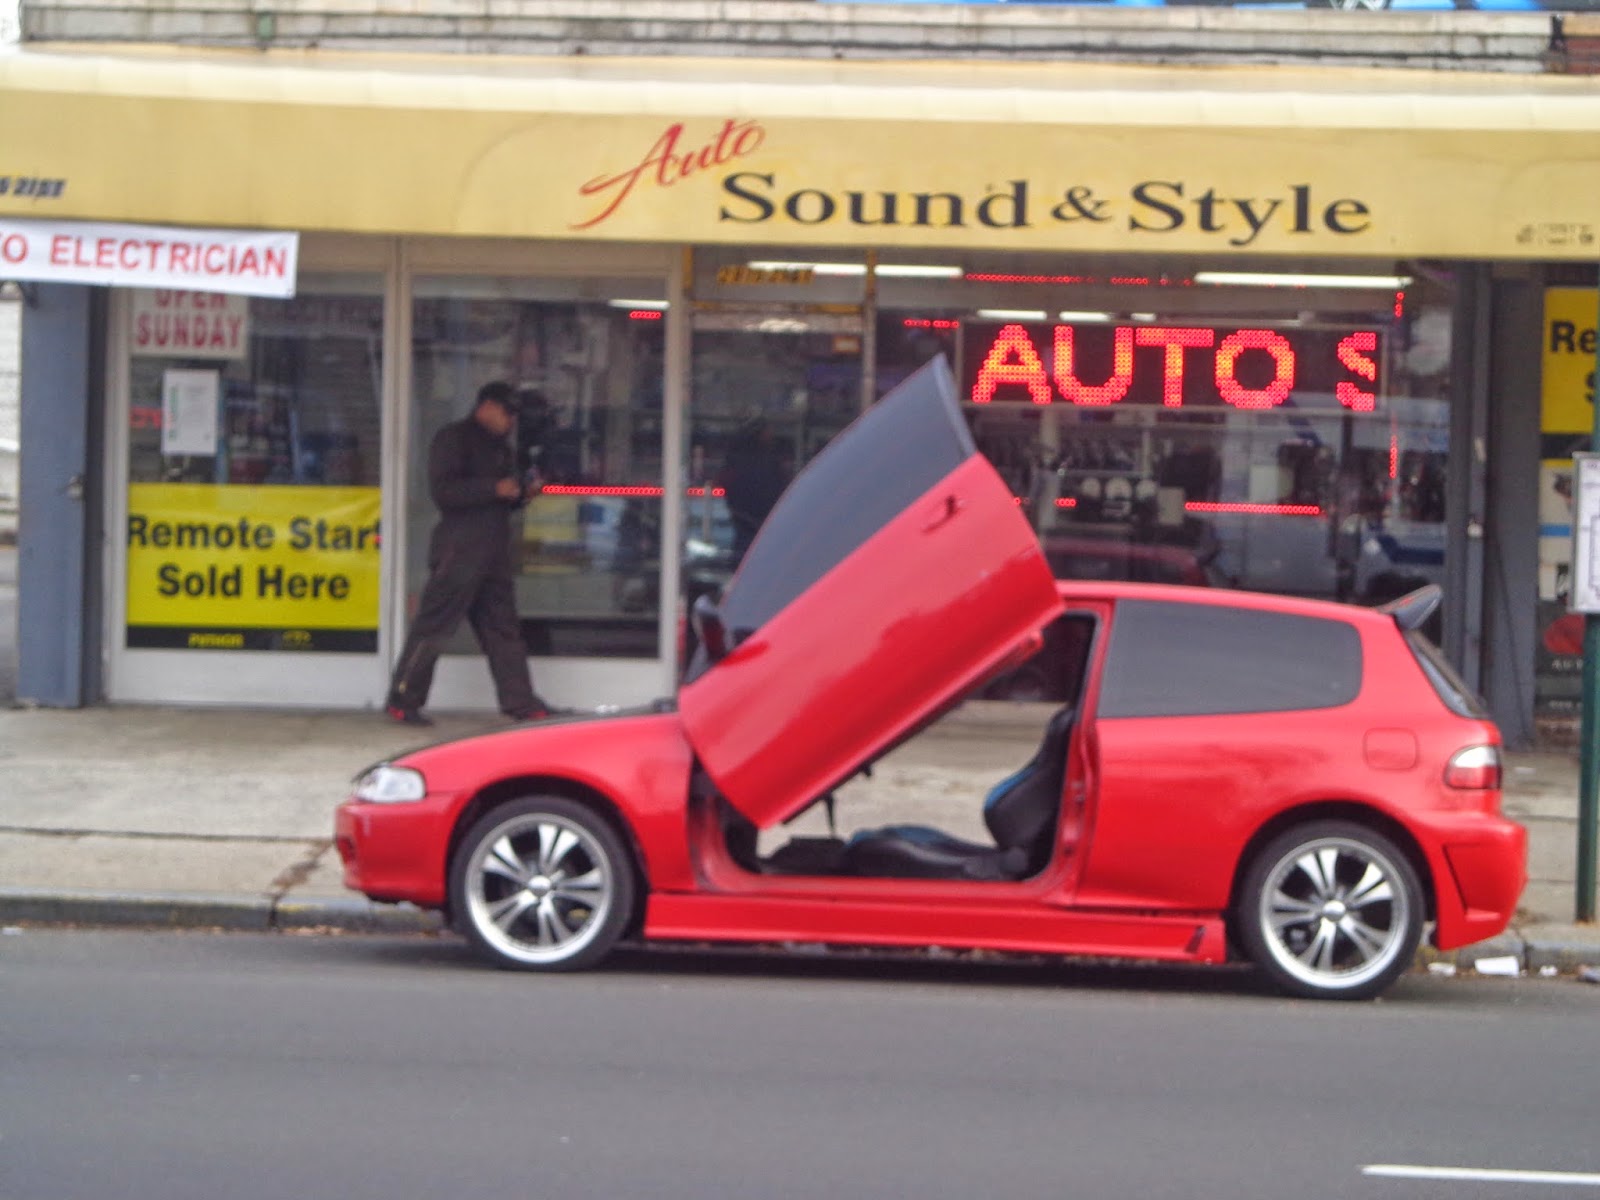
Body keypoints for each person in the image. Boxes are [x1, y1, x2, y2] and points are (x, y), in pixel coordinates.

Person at [385, 381, 553, 726]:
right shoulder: (454, 438)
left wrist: (522, 494)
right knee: (435, 626)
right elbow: (443, 492)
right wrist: (493, 488)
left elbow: (502, 498)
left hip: (492, 551)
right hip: (458, 550)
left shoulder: (501, 448)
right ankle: (403, 697)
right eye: (507, 413)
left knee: (503, 629)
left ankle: (520, 701)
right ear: (486, 407)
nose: (511, 421)